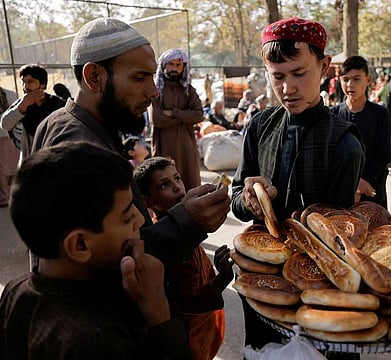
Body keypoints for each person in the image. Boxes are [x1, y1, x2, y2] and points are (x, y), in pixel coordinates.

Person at [33, 18, 230, 274]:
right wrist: (187, 221)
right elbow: (112, 265)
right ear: (94, 76)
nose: (153, 92)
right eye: (140, 78)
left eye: (151, 76)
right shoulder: (80, 152)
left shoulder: (64, 122)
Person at [231, 18, 364, 356]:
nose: (288, 87)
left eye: (299, 73)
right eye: (278, 76)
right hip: (264, 284)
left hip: (320, 288)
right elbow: (235, 198)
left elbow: (342, 239)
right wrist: (249, 200)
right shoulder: (259, 126)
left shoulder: (344, 143)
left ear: (325, 66)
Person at [0, 141, 191, 359]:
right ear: (79, 245)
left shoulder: (17, 290)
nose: (140, 220)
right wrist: (158, 310)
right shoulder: (98, 341)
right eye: (128, 216)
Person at [133, 156, 234, 360]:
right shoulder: (163, 243)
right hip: (189, 331)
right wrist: (221, 280)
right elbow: (185, 301)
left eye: (177, 179)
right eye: (164, 185)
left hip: (206, 323)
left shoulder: (188, 226)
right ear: (147, 200)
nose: (178, 188)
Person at [330, 55, 391, 209]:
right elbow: (329, 157)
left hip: (372, 189)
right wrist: (351, 184)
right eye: (345, 79)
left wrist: (364, 180)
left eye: (356, 79)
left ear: (368, 79)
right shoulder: (333, 115)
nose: (350, 84)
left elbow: (384, 154)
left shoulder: (380, 114)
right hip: (341, 192)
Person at [148, 48, 204, 191]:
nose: (174, 68)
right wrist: (186, 117)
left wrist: (174, 113)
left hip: (187, 147)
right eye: (171, 64)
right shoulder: (155, 90)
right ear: (164, 65)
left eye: (178, 65)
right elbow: (157, 119)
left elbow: (199, 115)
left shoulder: (188, 90)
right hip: (164, 145)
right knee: (164, 185)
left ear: (183, 67)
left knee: (189, 183)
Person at [1, 64, 65, 161]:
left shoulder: (57, 104)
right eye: (23, 81)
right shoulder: (21, 104)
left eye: (30, 82)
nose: (25, 86)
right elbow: (5, 124)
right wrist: (23, 106)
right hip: (30, 160)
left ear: (42, 84)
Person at [0, 85, 19, 207]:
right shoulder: (12, 94)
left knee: (1, 170)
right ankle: (14, 195)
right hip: (12, 135)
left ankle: (3, 197)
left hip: (1, 136)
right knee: (13, 166)